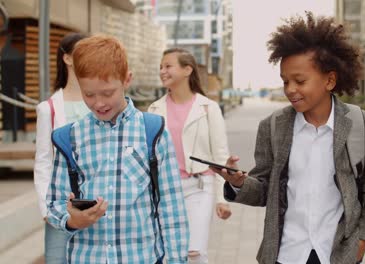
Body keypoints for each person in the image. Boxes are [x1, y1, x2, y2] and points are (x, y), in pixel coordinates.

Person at [212, 12, 365, 264]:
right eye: (285, 81)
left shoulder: (364, 125)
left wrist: (363, 241)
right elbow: (263, 190)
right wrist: (238, 183)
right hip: (286, 253)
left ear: (329, 80)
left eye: (300, 80)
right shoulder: (272, 127)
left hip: (338, 253)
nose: (290, 90)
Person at [46, 35, 189, 263]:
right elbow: (54, 203)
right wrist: (73, 220)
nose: (99, 103)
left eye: (107, 93)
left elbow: (171, 208)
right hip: (87, 257)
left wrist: (176, 259)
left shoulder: (152, 131)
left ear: (126, 80)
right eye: (89, 94)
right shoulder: (69, 137)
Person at [148, 48, 232, 264]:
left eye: (168, 66)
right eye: (161, 67)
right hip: (165, 191)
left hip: (199, 187)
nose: (162, 71)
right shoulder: (154, 110)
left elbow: (220, 156)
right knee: (168, 254)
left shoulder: (208, 108)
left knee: (195, 252)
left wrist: (222, 199)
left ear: (187, 70)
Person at [33, 32, 88, 264]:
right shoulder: (48, 109)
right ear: (67, 59)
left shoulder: (101, 103)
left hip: (97, 199)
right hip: (60, 203)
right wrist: (46, 209)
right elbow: (44, 160)